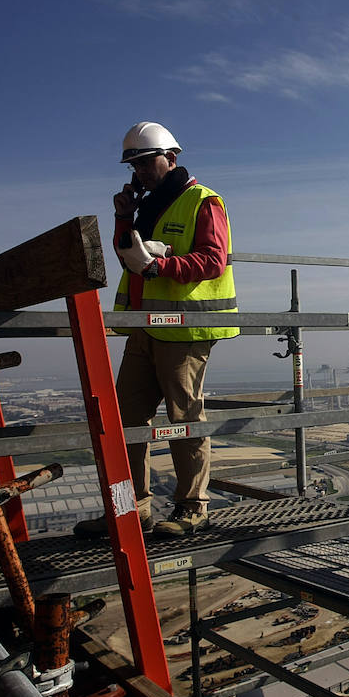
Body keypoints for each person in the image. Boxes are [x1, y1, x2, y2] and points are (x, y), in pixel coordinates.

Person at [74, 122, 237, 538]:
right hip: (144, 328)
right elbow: (128, 253)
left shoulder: (203, 201)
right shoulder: (147, 206)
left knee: (185, 419)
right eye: (135, 165)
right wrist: (123, 217)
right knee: (126, 420)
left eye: (148, 161)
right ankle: (132, 510)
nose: (142, 171)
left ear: (172, 158)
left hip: (184, 331)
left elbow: (213, 260)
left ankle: (192, 508)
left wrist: (161, 266)